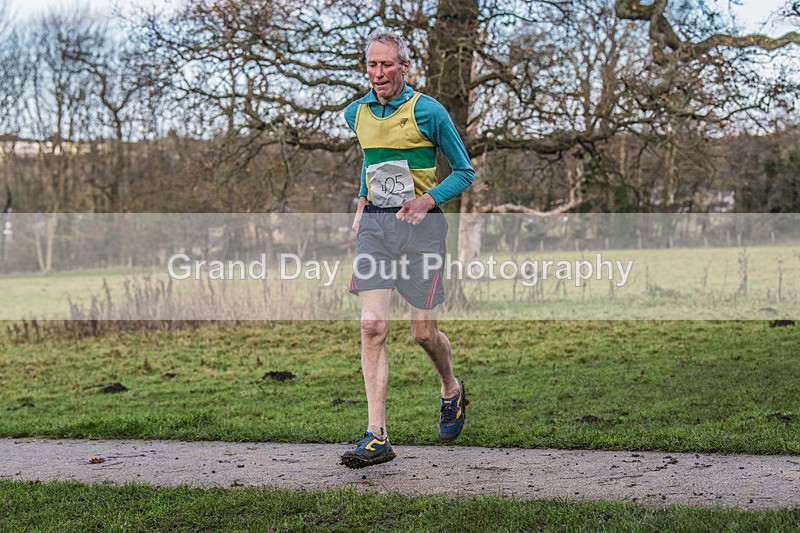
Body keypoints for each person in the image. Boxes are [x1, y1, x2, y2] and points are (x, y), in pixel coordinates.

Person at [340, 29, 475, 469]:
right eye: (372, 65)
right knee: (372, 326)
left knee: (422, 334)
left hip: (422, 233)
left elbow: (464, 171)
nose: (378, 73)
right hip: (377, 229)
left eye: (387, 65)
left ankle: (451, 389)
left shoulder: (429, 112)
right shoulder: (354, 113)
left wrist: (427, 199)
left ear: (404, 66)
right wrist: (363, 199)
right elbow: (370, 158)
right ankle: (376, 435)